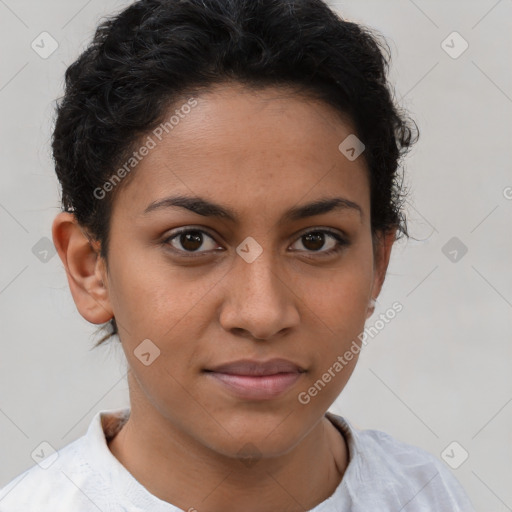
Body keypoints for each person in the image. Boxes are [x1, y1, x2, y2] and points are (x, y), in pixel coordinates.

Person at [0, 0, 476, 510]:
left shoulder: (430, 497)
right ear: (90, 269)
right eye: (191, 240)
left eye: (316, 240)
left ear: (377, 265)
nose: (262, 313)